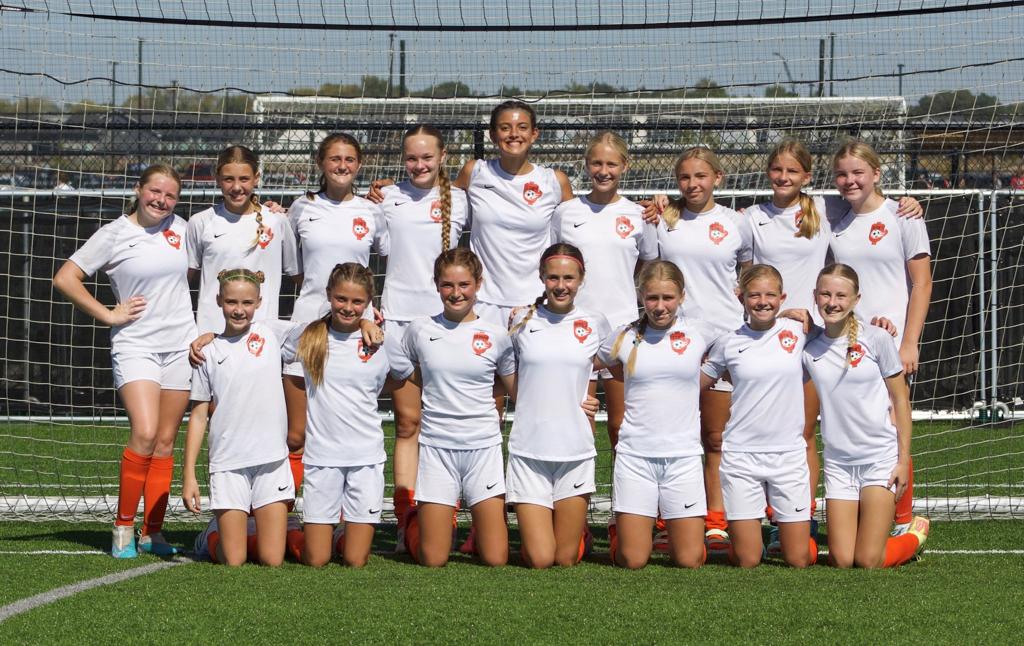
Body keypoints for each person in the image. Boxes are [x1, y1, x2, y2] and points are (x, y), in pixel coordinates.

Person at [53, 164, 195, 558]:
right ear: (138, 189)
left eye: (170, 195)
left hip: (181, 345)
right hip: (136, 345)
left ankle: (153, 532)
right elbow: (65, 278)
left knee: (165, 441)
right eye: (155, 192)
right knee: (145, 432)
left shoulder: (184, 230)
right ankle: (122, 526)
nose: (161, 201)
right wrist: (108, 314)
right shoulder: (115, 233)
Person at [829, 139, 932, 534]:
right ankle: (869, 513)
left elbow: (921, 283)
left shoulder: (903, 216)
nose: (850, 180)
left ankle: (903, 521)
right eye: (842, 174)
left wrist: (909, 341)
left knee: (893, 423)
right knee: (859, 426)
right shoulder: (835, 220)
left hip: (891, 341)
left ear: (876, 173)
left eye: (858, 172)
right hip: (848, 342)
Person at [653, 146, 752, 556]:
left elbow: (747, 273)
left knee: (715, 437)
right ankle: (665, 519)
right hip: (673, 339)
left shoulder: (737, 222)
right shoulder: (662, 219)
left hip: (724, 339)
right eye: (684, 177)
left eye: (700, 176)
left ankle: (716, 521)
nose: (692, 184)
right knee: (669, 436)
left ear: (718, 178)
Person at [378, 125, 469, 548]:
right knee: (408, 422)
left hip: (447, 322)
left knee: (446, 423)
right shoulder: (385, 198)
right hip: (398, 321)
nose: (419, 165)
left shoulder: (462, 200)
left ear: (443, 156)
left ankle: (446, 513)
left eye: (427, 157)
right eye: (412, 158)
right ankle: (405, 517)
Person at [803, 263, 930, 567]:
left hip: (879, 460)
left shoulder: (876, 339)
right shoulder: (808, 348)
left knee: (869, 560)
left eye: (841, 296)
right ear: (815, 296)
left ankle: (915, 535)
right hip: (839, 464)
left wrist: (902, 461)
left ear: (856, 299)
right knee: (842, 560)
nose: (832, 302)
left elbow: (900, 400)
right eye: (825, 294)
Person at [396, 248, 514, 567]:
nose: (456, 293)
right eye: (447, 285)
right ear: (436, 285)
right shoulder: (419, 330)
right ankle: (414, 522)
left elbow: (515, 388)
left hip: (483, 449)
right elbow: (409, 375)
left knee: (496, 559)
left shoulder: (497, 336)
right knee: (433, 559)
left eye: (464, 284)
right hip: (437, 449)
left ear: (478, 284)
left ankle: (474, 529)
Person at [283, 133, 385, 499]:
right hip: (308, 327)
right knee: (297, 433)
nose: (342, 166)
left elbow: (384, 258)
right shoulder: (300, 208)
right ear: (321, 163)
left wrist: (367, 311)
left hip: (356, 330)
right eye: (335, 159)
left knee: (344, 430)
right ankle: (285, 510)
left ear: (359, 164)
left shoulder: (372, 210)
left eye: (349, 159)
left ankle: (342, 512)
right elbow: (296, 270)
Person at [699, 264, 817, 568]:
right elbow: (693, 384)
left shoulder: (801, 332)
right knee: (747, 559)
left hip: (788, 457)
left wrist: (880, 326)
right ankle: (747, 541)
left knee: (798, 559)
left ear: (782, 298)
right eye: (754, 295)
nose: (762, 302)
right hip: (741, 458)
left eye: (770, 295)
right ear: (741, 298)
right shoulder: (728, 343)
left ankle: (791, 536)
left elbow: (841, 332)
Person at [287, 262, 404, 568]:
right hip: (322, 459)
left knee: (355, 559)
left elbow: (403, 374)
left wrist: (372, 385)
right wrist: (209, 337)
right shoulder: (308, 336)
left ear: (368, 302)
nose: (348, 308)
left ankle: (342, 536)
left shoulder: (380, 341)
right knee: (316, 560)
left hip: (366, 458)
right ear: (328, 294)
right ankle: (289, 533)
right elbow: (255, 334)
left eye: (357, 302)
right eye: (341, 298)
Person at [598, 261, 711, 569]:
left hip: (683, 458)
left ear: (682, 296)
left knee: (689, 560)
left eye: (668, 298)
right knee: (632, 560)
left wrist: (793, 318)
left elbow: (744, 345)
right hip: (635, 457)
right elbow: (584, 364)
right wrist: (584, 399)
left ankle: (677, 533)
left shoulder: (701, 332)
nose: (660, 307)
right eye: (652, 298)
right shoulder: (623, 336)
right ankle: (620, 532)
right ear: (641, 297)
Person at [551, 131, 657, 451]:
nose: (603, 171)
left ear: (625, 165)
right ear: (586, 165)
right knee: (577, 420)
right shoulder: (566, 212)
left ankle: (624, 484)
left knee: (620, 425)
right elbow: (554, 262)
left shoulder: (639, 215)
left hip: (622, 327)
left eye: (611, 164)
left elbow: (645, 263)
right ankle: (577, 482)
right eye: (596, 163)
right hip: (575, 327)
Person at [506, 243, 610, 568]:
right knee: (540, 559)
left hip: (575, 452)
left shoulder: (595, 322)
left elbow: (615, 367)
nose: (561, 285)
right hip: (529, 451)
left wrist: (595, 398)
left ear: (581, 279)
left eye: (568, 278)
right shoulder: (520, 320)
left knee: (565, 559)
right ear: (542, 278)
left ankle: (575, 534)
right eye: (553, 278)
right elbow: (502, 371)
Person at [182, 269, 292, 566]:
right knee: (233, 561)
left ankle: (249, 530)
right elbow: (199, 416)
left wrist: (365, 321)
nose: (239, 310)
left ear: (259, 303)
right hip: (228, 463)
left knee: (272, 560)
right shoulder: (206, 351)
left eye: (247, 303)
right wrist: (189, 474)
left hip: (271, 460)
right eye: (231, 302)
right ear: (219, 300)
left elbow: (324, 329)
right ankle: (211, 536)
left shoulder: (272, 333)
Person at [185, 145, 299, 335]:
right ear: (217, 179)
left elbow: (299, 276)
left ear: (256, 178)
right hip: (212, 334)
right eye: (228, 179)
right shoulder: (200, 222)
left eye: (244, 179)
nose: (237, 187)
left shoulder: (276, 221)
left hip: (261, 335)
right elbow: (184, 281)